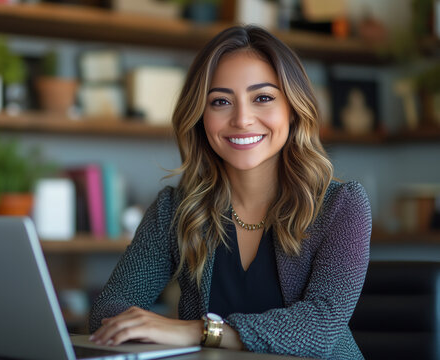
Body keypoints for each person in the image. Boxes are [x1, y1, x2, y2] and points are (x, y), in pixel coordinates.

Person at [89, 25, 371, 360]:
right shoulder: (175, 209)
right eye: (221, 101)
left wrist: (198, 331)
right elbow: (108, 311)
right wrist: (140, 329)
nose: (242, 119)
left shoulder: (341, 205)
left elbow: (320, 327)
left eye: (262, 98)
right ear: (200, 117)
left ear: (293, 109)